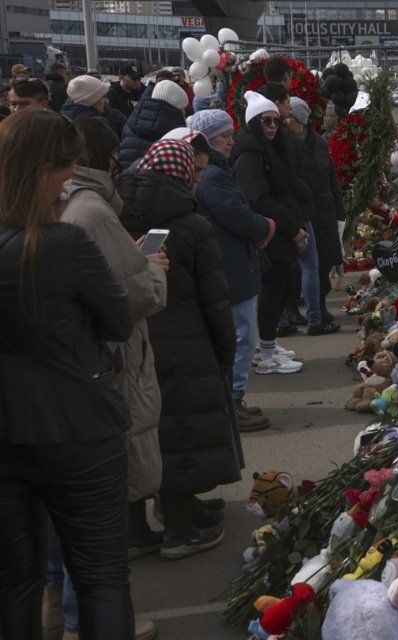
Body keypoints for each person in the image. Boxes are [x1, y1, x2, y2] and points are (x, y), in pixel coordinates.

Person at [0, 109, 135, 639]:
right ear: (38, 170)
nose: (69, 182)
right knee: (101, 577)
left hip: (9, 436)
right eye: (64, 169)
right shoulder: (64, 245)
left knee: (15, 584)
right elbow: (119, 320)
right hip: (80, 427)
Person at [58, 116, 166, 640]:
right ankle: (89, 623)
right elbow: (135, 296)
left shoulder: (69, 208)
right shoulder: (92, 212)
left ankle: (66, 616)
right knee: (91, 519)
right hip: (98, 375)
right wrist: (156, 266)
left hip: (62, 387)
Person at [118, 138, 240, 560]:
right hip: (185, 346)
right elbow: (215, 297)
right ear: (183, 174)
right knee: (180, 434)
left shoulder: (118, 215)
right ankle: (180, 531)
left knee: (136, 434)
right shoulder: (190, 226)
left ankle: (134, 531)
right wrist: (227, 349)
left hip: (131, 340)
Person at [189, 108, 276, 431]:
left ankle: (233, 399)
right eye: (224, 137)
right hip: (230, 265)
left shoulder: (215, 170)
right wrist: (265, 226)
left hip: (233, 262)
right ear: (209, 141)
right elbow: (236, 213)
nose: (231, 141)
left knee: (241, 335)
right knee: (242, 336)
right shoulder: (213, 175)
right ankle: (232, 401)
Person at [230, 91, 308, 374]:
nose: (273, 126)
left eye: (277, 121)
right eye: (266, 121)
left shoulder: (266, 149)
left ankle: (268, 344)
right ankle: (265, 352)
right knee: (274, 290)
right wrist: (291, 226)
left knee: (283, 288)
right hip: (269, 233)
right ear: (254, 123)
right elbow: (258, 198)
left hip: (279, 229)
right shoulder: (251, 154)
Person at [260, 83, 334, 337]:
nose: (288, 109)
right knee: (307, 265)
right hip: (294, 210)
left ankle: (282, 321)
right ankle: (313, 319)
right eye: (286, 104)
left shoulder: (264, 137)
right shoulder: (287, 139)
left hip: (277, 211)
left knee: (281, 268)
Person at [287, 96, 344, 331]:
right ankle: (293, 310)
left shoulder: (318, 142)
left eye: (289, 116)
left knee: (324, 262)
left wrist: (339, 209)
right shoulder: (286, 144)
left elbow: (331, 177)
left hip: (324, 209)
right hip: (301, 212)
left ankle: (320, 306)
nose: (284, 120)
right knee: (299, 266)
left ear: (299, 119)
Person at [117, 80, 188, 169]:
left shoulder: (133, 119)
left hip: (125, 176)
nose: (184, 112)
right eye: (182, 109)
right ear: (175, 108)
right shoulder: (173, 130)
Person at [62, 74, 127, 137]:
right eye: (103, 96)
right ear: (92, 100)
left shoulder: (63, 119)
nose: (105, 101)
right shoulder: (97, 124)